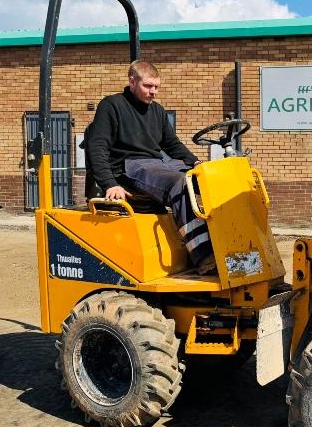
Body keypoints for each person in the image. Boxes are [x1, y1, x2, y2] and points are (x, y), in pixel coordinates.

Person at [87, 60, 216, 274]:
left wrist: (196, 163)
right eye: (148, 86)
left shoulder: (157, 111)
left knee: (202, 178)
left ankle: (224, 244)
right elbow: (97, 146)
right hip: (129, 167)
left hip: (157, 163)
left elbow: (172, 144)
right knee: (179, 182)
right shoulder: (112, 105)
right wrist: (110, 183)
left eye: (156, 87)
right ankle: (205, 257)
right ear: (132, 81)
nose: (153, 91)